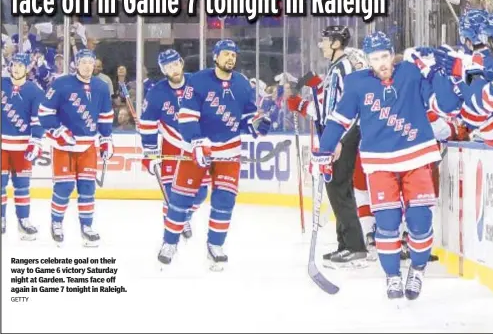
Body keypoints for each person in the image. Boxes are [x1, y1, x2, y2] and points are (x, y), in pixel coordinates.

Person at [312, 32, 442, 300]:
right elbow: (338, 119)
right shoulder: (357, 83)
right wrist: (325, 150)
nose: (381, 63)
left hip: (416, 156)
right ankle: (392, 275)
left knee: (419, 221)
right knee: (386, 222)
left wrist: (436, 73)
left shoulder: (411, 72)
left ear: (392, 54)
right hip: (379, 162)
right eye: (375, 58)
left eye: (385, 56)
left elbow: (445, 104)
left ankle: (417, 268)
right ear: (368, 60)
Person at [157, 39, 270, 268]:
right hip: (197, 148)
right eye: (226, 54)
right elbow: (186, 117)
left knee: (225, 199)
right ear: (215, 57)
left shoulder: (242, 84)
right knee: (180, 198)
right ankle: (169, 243)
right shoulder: (197, 81)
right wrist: (197, 143)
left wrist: (256, 125)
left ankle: (215, 245)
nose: (231, 58)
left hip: (229, 150)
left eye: (234, 55)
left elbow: (247, 117)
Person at [288, 25, 368, 267]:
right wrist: (304, 103)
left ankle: (355, 247)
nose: (321, 45)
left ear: (335, 43)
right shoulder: (334, 69)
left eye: (324, 40)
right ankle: (345, 244)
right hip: (335, 137)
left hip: (344, 137)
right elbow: (326, 109)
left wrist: (341, 140)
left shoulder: (344, 68)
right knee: (335, 188)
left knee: (339, 189)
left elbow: (351, 107)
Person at [38, 49, 114, 246]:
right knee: (64, 187)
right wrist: (59, 131)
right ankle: (56, 222)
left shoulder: (101, 86)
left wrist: (106, 139)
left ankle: (87, 226)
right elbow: (45, 113)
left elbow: (105, 116)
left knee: (87, 188)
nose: (88, 66)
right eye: (84, 62)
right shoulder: (62, 84)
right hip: (64, 146)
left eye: (91, 62)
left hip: (88, 145)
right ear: (76, 64)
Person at [139, 49, 207, 239]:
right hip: (171, 145)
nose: (174, 69)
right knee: (172, 195)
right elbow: (148, 124)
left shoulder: (198, 84)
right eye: (168, 67)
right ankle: (170, 237)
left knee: (201, 193)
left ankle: (184, 217)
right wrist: (150, 153)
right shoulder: (156, 93)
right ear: (163, 70)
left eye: (176, 64)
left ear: (182, 63)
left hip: (196, 144)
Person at [1, 53, 45, 239]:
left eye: (21, 65)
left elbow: (38, 121)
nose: (17, 68)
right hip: (2, 145)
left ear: (27, 68)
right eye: (14, 65)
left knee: (22, 187)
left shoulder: (35, 91)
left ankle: (23, 221)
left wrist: (35, 142)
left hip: (22, 147)